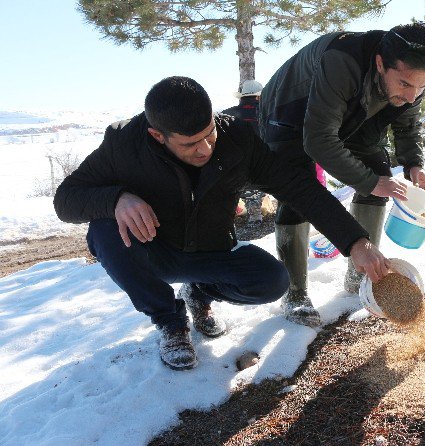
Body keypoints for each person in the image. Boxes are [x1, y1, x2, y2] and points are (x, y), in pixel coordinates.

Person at [53, 76, 389, 371]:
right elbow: (66, 200)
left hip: (211, 251)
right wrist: (117, 199)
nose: (205, 149)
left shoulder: (236, 138)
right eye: (189, 144)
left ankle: (200, 291)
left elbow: (298, 187)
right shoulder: (124, 143)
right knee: (104, 230)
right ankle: (171, 323)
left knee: (272, 281)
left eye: (209, 134)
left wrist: (355, 241)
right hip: (154, 252)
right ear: (158, 135)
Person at [258, 22, 425, 327]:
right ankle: (295, 293)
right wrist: (370, 183)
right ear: (380, 63)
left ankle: (359, 275)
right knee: (299, 190)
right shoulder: (343, 60)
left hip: (353, 111)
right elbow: (318, 140)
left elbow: (407, 125)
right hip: (287, 114)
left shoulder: (412, 76)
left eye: (422, 87)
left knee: (378, 169)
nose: (413, 96)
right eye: (405, 85)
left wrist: (413, 162)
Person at [222, 80, 266, 224]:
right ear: (258, 97)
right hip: (262, 170)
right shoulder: (267, 113)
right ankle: (255, 214)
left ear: (242, 97)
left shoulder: (225, 115)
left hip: (230, 172)